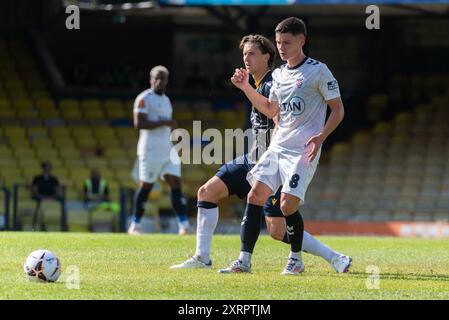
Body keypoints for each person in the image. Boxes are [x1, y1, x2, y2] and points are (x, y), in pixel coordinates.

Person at [171, 34, 351, 274]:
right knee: (207, 192)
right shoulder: (256, 84)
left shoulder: (273, 83)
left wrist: (276, 156)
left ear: (267, 57)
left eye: (252, 53)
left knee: (277, 230)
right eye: (244, 54)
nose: (246, 58)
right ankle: (203, 257)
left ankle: (333, 257)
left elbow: (279, 119)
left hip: (273, 158)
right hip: (252, 159)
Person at [223, 17, 348, 275]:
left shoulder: (318, 71)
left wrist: (321, 136)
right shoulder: (278, 74)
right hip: (278, 147)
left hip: (303, 150)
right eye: (278, 42)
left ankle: (296, 260)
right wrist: (245, 87)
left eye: (286, 42)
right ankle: (244, 261)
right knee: (254, 195)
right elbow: (270, 109)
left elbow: (338, 110)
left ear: (301, 41)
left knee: (287, 205)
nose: (281, 47)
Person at [127, 65, 191, 235]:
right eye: (157, 77)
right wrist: (165, 123)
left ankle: (184, 225)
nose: (160, 81)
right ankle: (135, 224)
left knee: (176, 183)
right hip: (150, 150)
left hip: (167, 150)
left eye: (163, 78)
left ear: (167, 81)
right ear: (151, 79)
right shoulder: (143, 98)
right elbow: (138, 123)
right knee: (146, 186)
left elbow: (166, 125)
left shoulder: (166, 100)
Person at [31, 161, 64, 231]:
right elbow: (35, 191)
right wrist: (42, 198)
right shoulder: (37, 178)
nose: (47, 170)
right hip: (39, 200)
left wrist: (51, 197)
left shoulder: (54, 179)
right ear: (43, 168)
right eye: (46, 168)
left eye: (49, 168)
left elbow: (58, 191)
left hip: (52, 199)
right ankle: (35, 227)